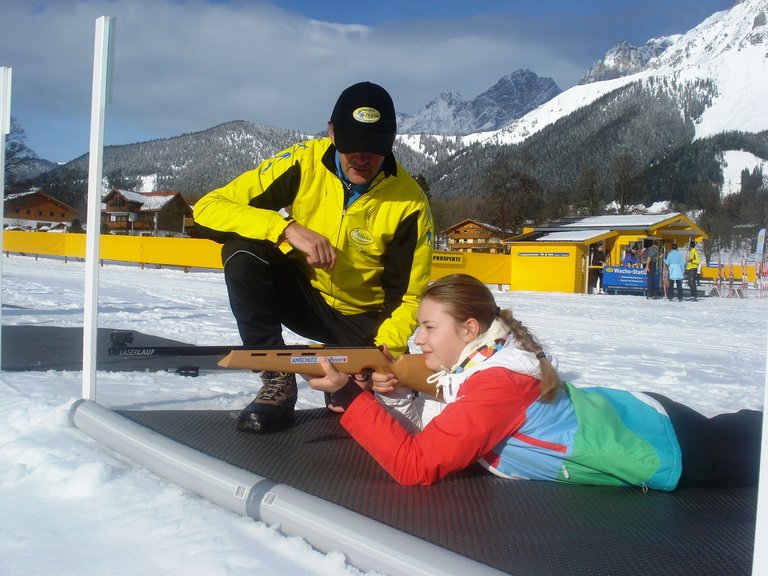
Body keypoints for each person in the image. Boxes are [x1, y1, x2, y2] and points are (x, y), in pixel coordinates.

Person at [309, 274, 762, 489]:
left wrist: (349, 396)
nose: (418, 339)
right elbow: (447, 427)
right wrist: (398, 396)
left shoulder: (498, 382)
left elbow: (416, 465)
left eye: (428, 327)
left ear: (469, 329)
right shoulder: (482, 366)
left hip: (667, 445)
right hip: (644, 418)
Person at [193, 81, 434, 433]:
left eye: (374, 148)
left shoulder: (410, 203)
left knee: (367, 419)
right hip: (304, 298)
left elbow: (409, 297)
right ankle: (277, 377)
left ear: (392, 140)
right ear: (332, 133)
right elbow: (207, 209)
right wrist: (284, 228)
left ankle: (355, 375)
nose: (362, 158)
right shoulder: (303, 161)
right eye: (353, 146)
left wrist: (379, 354)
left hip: (363, 322)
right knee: (243, 251)